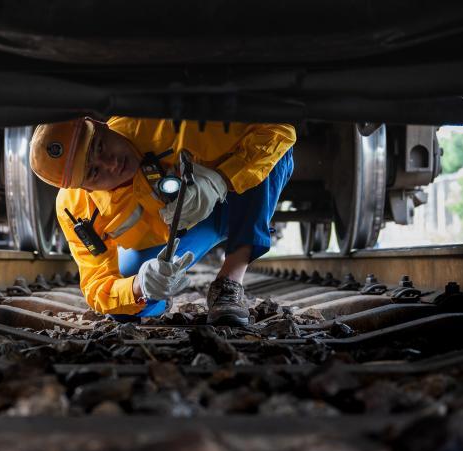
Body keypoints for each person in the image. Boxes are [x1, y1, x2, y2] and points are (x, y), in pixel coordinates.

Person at [29, 117, 295, 326]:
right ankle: (160, 293)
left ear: (99, 124)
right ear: (82, 189)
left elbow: (279, 129)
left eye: (100, 147)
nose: (111, 164)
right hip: (178, 235)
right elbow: (96, 284)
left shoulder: (164, 124)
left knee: (275, 158)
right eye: (94, 172)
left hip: (228, 201)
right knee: (125, 311)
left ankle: (230, 281)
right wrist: (139, 286)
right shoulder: (76, 209)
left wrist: (221, 180)